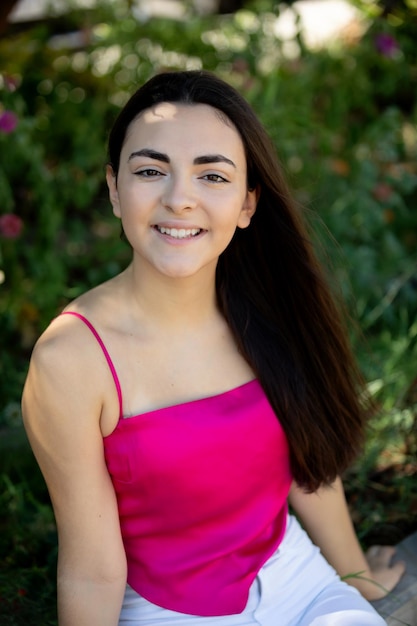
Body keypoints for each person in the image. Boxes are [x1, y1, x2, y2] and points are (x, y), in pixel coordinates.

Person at [22, 70, 405, 626]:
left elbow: (307, 466)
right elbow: (92, 569)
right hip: (168, 611)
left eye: (213, 176)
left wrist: (356, 577)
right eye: (151, 171)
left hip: (296, 575)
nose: (180, 199)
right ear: (113, 189)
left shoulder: (266, 310)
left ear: (248, 205)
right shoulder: (72, 360)